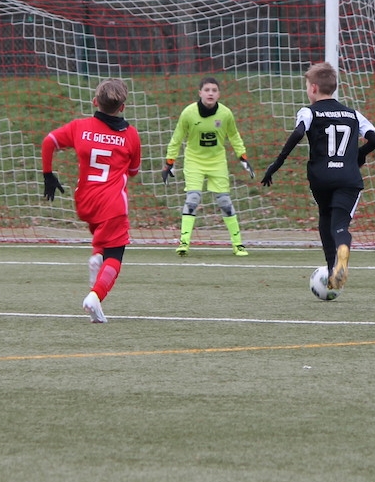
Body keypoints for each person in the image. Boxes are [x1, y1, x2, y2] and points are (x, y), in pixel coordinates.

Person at [260, 62, 375, 291]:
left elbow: (297, 133)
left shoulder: (309, 111)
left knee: (324, 219)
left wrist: (276, 164)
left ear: (314, 88)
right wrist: (357, 156)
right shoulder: (353, 114)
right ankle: (342, 252)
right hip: (347, 178)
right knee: (339, 227)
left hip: (321, 178)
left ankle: (331, 269)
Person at [41, 78, 142, 323]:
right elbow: (133, 171)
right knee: (115, 256)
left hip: (85, 201)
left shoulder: (80, 127)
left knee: (103, 247)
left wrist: (48, 174)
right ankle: (95, 296)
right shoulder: (130, 135)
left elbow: (49, 142)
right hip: (112, 204)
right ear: (122, 108)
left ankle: (97, 258)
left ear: (95, 102)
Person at [162, 76, 254, 257]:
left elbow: (234, 136)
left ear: (218, 94)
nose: (210, 93)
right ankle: (184, 243)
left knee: (225, 202)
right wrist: (169, 161)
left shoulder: (226, 114)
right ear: (200, 93)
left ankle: (238, 245)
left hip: (217, 162)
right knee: (193, 199)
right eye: (207, 90)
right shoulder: (188, 113)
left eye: (214, 90)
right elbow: (177, 137)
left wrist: (242, 157)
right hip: (194, 161)